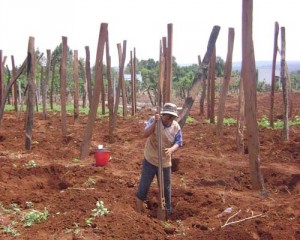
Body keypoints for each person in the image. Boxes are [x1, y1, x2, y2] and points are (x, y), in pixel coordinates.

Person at [136, 102, 183, 215]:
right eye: (168, 116)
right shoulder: (154, 120)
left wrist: (172, 150)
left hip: (165, 161)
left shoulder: (176, 126)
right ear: (163, 115)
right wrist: (155, 123)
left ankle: (167, 211)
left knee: (166, 188)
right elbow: (145, 134)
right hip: (150, 159)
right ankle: (138, 209)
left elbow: (179, 142)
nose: (170, 119)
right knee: (144, 184)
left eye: (172, 117)